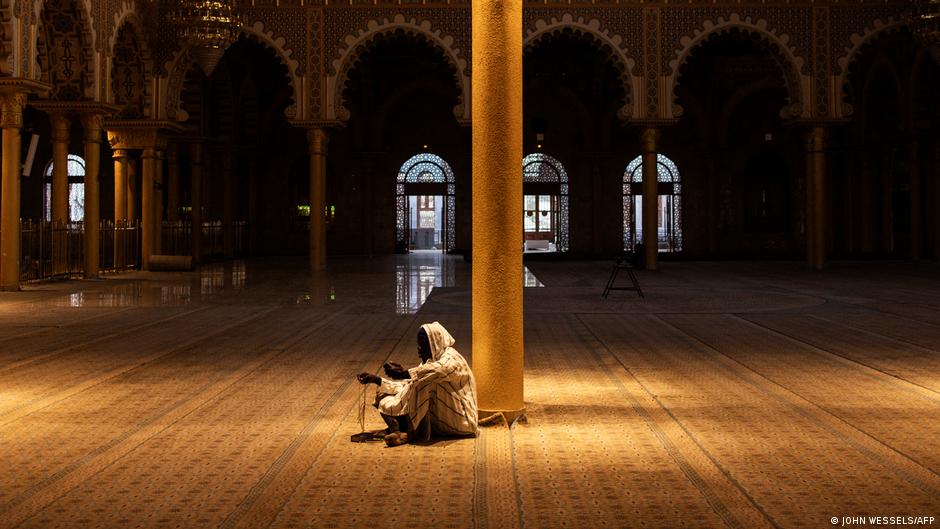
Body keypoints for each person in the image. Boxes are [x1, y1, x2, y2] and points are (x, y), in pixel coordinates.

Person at [357, 321, 478, 447]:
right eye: (418, 344)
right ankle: (397, 431)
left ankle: (412, 433)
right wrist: (377, 380)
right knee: (384, 393)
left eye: (423, 343)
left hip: (463, 421)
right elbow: (408, 385)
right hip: (442, 421)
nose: (419, 348)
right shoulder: (429, 363)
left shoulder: (451, 358)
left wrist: (404, 373)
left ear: (434, 342)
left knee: (424, 383)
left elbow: (437, 370)